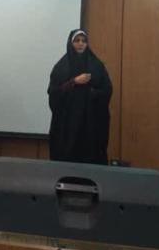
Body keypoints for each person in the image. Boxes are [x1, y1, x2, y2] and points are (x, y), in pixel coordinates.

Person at [48, 29, 112, 165]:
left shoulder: (97, 66)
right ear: (70, 43)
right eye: (77, 41)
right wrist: (74, 82)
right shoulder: (61, 67)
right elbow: (54, 93)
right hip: (67, 125)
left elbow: (107, 90)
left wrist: (92, 93)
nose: (81, 44)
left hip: (91, 124)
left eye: (84, 41)